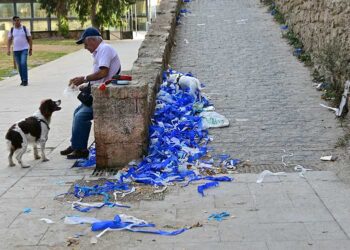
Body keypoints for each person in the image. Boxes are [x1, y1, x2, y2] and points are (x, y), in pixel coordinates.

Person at [60, 27, 121, 159]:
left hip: (104, 96)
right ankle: (75, 144)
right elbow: (101, 76)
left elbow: (103, 72)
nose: (85, 47)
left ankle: (81, 149)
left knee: (81, 116)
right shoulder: (100, 51)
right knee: (77, 112)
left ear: (93, 40)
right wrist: (83, 85)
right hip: (99, 91)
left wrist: (84, 78)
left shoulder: (105, 49)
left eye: (86, 44)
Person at [7, 16, 33, 86]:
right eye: (15, 20)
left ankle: (25, 80)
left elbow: (30, 39)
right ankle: (22, 79)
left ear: (20, 21)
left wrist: (30, 49)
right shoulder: (12, 30)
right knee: (19, 66)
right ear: (13, 22)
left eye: (18, 20)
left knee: (23, 63)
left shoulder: (25, 28)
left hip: (24, 49)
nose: (17, 22)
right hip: (16, 51)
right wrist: (8, 49)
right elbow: (9, 40)